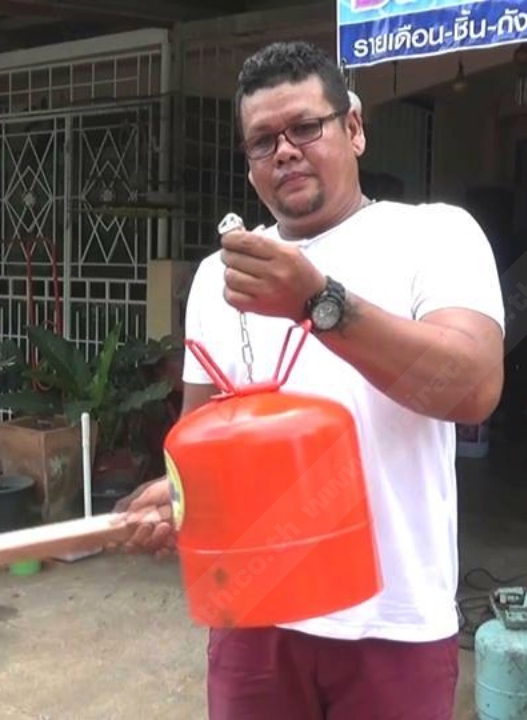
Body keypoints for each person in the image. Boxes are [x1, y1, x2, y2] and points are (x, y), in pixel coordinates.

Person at [113, 40, 506, 719]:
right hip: (253, 613)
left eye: (305, 127)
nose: (285, 152)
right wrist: (176, 499)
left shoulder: (436, 236)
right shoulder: (219, 276)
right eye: (263, 141)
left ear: (353, 128)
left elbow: (471, 388)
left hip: (393, 619)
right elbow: (200, 436)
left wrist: (316, 301)